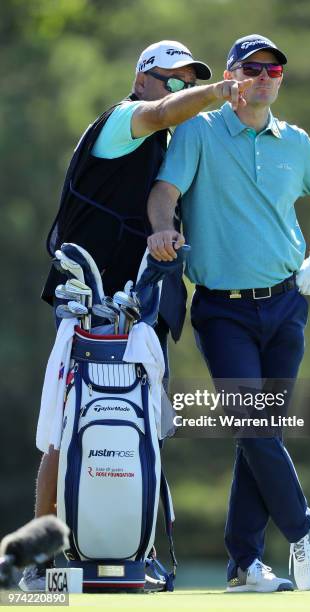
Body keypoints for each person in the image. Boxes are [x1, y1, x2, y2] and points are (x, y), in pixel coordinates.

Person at [20, 40, 251, 592]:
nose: (177, 89)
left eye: (186, 80)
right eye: (171, 78)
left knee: (139, 423)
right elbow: (163, 112)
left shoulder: (164, 148)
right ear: (143, 78)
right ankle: (40, 561)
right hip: (83, 300)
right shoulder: (126, 119)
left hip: (134, 305)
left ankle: (131, 546)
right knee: (64, 426)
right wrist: (217, 91)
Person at [147, 34, 310, 593]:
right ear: (233, 77)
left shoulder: (296, 141)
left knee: (259, 435)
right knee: (253, 424)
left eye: (275, 70)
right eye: (253, 68)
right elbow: (164, 191)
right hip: (223, 309)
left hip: (287, 304)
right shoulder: (199, 131)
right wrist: (163, 227)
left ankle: (242, 566)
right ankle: (302, 525)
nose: (265, 77)